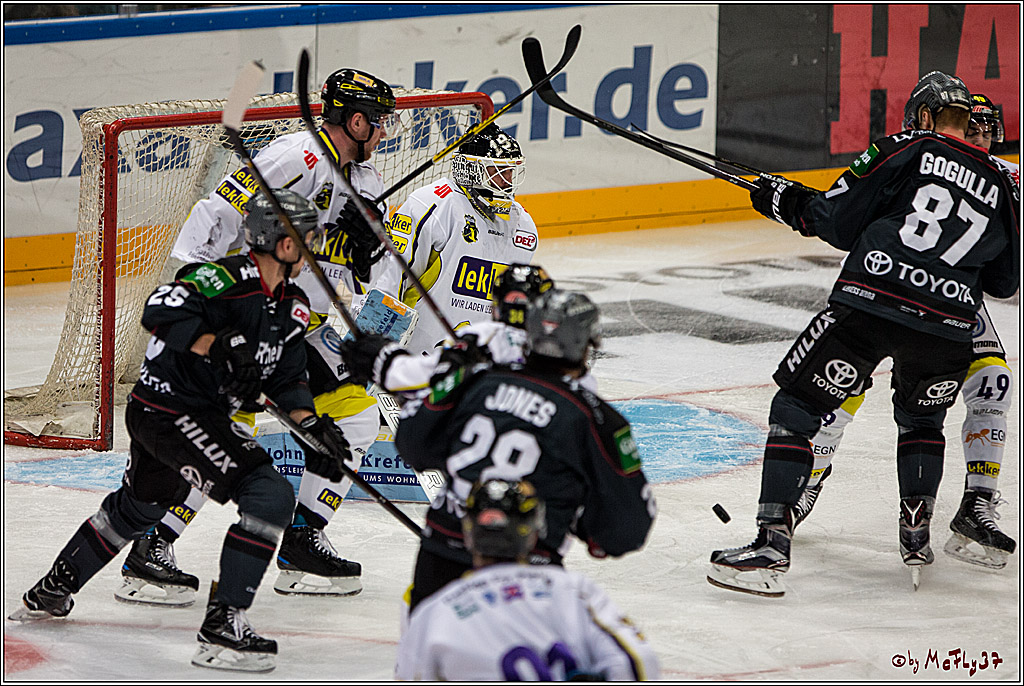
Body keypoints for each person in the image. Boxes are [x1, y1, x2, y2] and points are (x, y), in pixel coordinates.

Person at [9, 190, 355, 672]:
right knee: (268, 494)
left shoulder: (292, 306)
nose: (314, 247)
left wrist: (312, 428)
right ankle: (222, 628)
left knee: (142, 506)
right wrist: (217, 346)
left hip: (182, 416)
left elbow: (288, 381)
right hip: (169, 411)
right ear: (284, 243)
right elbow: (158, 310)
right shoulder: (224, 278)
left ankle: (53, 588)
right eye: (308, 237)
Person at [707, 71, 1019, 597]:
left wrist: (783, 200)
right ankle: (917, 531)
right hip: (947, 326)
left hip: (872, 302)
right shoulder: (1001, 183)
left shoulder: (906, 146)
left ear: (924, 117)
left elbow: (836, 220)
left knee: (798, 406)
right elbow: (1006, 281)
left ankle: (771, 544)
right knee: (922, 420)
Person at [122, 68, 400, 604]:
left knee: (357, 418)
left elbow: (354, 267)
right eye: (379, 121)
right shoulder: (293, 158)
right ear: (356, 120)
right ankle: (152, 544)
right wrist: (206, 312)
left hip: (301, 326)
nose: (385, 132)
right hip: (243, 320)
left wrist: (367, 243)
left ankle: (301, 542)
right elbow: (213, 218)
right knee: (225, 429)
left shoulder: (364, 180)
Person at [788, 91, 1020, 571]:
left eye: (987, 128)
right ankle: (807, 480)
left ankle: (977, 503)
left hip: (955, 301)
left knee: (993, 381)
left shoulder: (1006, 178)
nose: (980, 136)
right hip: (894, 290)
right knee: (845, 382)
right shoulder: (922, 157)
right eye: (972, 126)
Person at [395, 289, 656, 612]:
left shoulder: (474, 380)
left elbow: (413, 445)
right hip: (529, 573)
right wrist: (579, 522)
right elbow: (626, 530)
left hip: (440, 557)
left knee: (428, 643)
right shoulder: (596, 419)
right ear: (585, 344)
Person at [395, 479, 660, 681]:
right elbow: (637, 661)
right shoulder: (573, 591)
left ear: (468, 535)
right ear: (533, 534)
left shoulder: (436, 612)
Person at [373, 123, 539, 355]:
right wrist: (374, 344)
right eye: (498, 170)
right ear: (471, 169)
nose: (507, 180)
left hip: (479, 360)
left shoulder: (523, 226)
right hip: (417, 359)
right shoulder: (432, 205)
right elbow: (388, 279)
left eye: (510, 170)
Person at [340, 263, 576, 396]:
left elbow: (414, 376)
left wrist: (382, 358)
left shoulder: (482, 338)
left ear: (497, 306)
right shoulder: (565, 346)